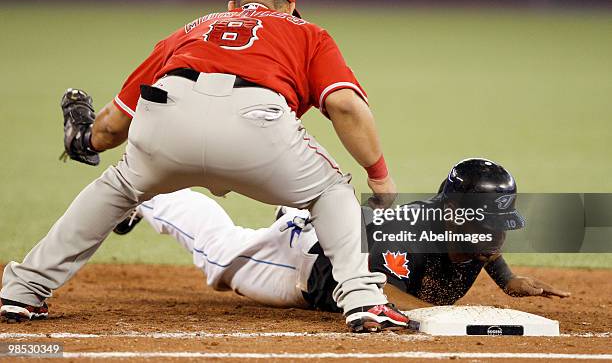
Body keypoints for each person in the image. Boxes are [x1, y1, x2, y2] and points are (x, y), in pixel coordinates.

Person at [1, 0, 402, 332]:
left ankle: (23, 290)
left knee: (118, 188)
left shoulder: (191, 29)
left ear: (232, 4)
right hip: (256, 124)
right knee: (331, 190)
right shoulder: (307, 31)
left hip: (167, 115)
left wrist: (84, 140)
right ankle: (363, 298)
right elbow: (345, 105)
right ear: (292, 6)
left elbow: (111, 126)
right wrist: (379, 177)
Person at [112, 158, 570, 313]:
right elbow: (374, 291)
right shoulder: (405, 236)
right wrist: (436, 314)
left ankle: (295, 206)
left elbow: (482, 249)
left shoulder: (466, 232)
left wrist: (508, 279)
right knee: (219, 257)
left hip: (335, 229)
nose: (496, 236)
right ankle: (145, 195)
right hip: (303, 266)